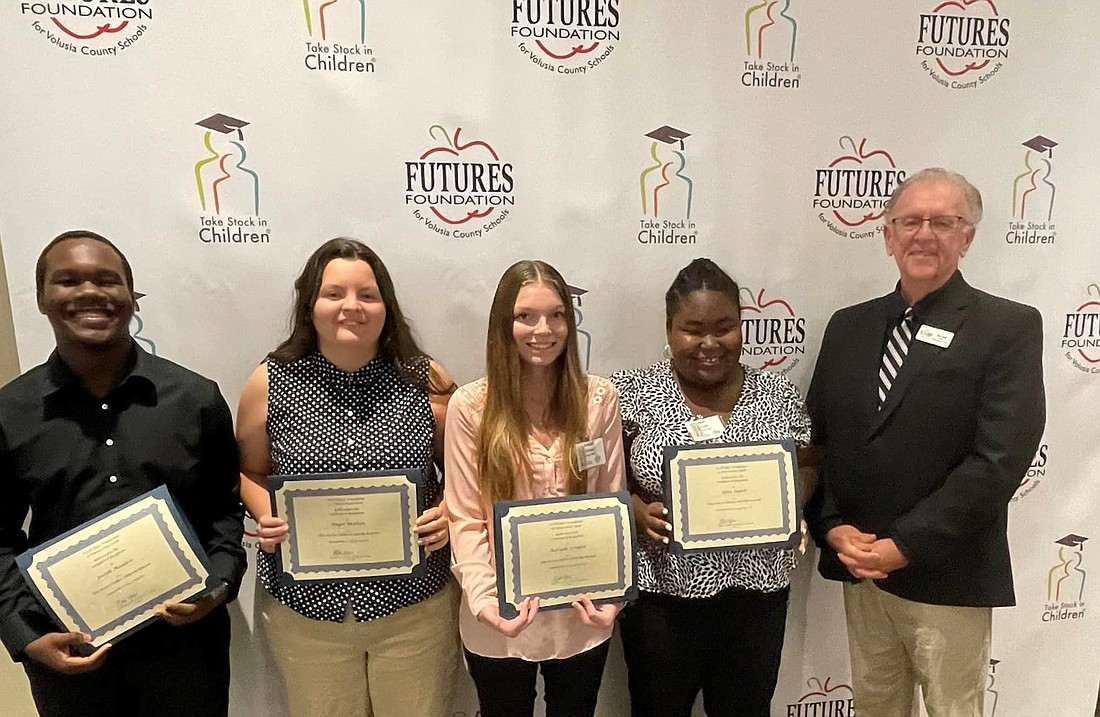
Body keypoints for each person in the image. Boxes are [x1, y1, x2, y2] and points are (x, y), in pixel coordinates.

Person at [805, 168, 1046, 717]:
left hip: (948, 573)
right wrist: (832, 526)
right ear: (888, 235)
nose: (925, 234)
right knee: (874, 707)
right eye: (910, 221)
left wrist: (906, 545)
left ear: (968, 237)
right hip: (862, 568)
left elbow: (999, 460)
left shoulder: (1007, 327)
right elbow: (819, 444)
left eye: (944, 221)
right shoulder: (848, 327)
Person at [0, 230, 246, 717]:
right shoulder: (11, 412)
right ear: (43, 299)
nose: (90, 292)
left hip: (186, 651)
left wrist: (217, 588)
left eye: (107, 280)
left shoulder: (194, 398)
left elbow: (224, 512)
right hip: (68, 651)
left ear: (131, 298)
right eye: (68, 281)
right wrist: (25, 636)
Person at [235, 238, 460, 717]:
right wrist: (265, 511)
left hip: (414, 608)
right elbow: (249, 470)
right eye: (334, 293)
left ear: (386, 306)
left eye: (367, 295)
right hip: (307, 613)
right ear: (310, 304)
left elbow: (466, 472)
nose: (351, 307)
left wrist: (449, 511)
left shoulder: (427, 380)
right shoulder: (270, 381)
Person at [610, 258, 811, 717]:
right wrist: (634, 508)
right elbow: (599, 475)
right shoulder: (631, 393)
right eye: (692, 328)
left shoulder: (776, 393)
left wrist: (792, 503)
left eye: (724, 327)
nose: (709, 343)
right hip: (663, 599)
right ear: (669, 329)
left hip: (757, 597)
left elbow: (808, 462)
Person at [445, 259, 625, 717]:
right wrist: (486, 601)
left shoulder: (598, 400)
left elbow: (610, 504)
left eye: (556, 314)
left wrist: (613, 595)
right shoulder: (471, 407)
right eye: (525, 316)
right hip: (498, 621)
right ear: (503, 324)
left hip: (582, 616)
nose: (542, 329)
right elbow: (465, 516)